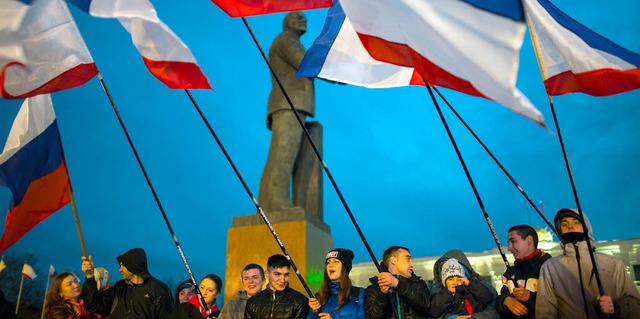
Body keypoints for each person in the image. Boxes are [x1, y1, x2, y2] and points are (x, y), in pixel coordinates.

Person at [258, 11, 315, 214]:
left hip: (293, 104)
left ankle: (271, 203)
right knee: (284, 154)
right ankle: (275, 204)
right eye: (297, 17)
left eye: (304, 17)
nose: (303, 20)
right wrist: (336, 72)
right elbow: (306, 63)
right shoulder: (286, 39)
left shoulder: (291, 40)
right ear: (285, 23)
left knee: (285, 154)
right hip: (287, 103)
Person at [536, 208, 640, 318]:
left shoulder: (612, 263)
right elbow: (545, 311)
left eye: (576, 222)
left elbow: (634, 304)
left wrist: (617, 307)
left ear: (586, 227)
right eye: (564, 224)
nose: (570, 226)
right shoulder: (550, 267)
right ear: (559, 230)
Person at [81, 248, 174, 319]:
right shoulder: (119, 288)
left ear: (132, 265)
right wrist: (89, 276)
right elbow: (93, 305)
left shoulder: (159, 289)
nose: (120, 269)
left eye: (122, 265)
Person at [495, 224, 551, 319]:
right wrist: (505, 301)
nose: (509, 248)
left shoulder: (550, 267)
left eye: (513, 241)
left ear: (529, 240)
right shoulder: (510, 272)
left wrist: (530, 297)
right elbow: (499, 303)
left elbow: (561, 301)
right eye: (508, 243)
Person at [364, 246, 430, 319]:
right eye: (408, 259)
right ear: (393, 260)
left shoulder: (418, 284)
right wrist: (383, 294)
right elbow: (372, 317)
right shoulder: (374, 289)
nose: (412, 265)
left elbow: (425, 306)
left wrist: (397, 284)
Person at [430, 249, 499, 319]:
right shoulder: (440, 294)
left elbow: (489, 301)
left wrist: (471, 284)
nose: (455, 282)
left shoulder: (476, 286)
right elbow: (434, 311)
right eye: (450, 279)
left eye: (458, 278)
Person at [244, 254, 310, 319]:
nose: (282, 280)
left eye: (286, 275)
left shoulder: (300, 301)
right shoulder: (253, 302)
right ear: (267, 274)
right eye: (277, 274)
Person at [307, 248, 364, 319]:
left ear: (345, 267)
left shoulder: (359, 294)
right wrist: (313, 312)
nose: (330, 265)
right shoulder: (318, 296)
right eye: (328, 262)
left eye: (336, 261)